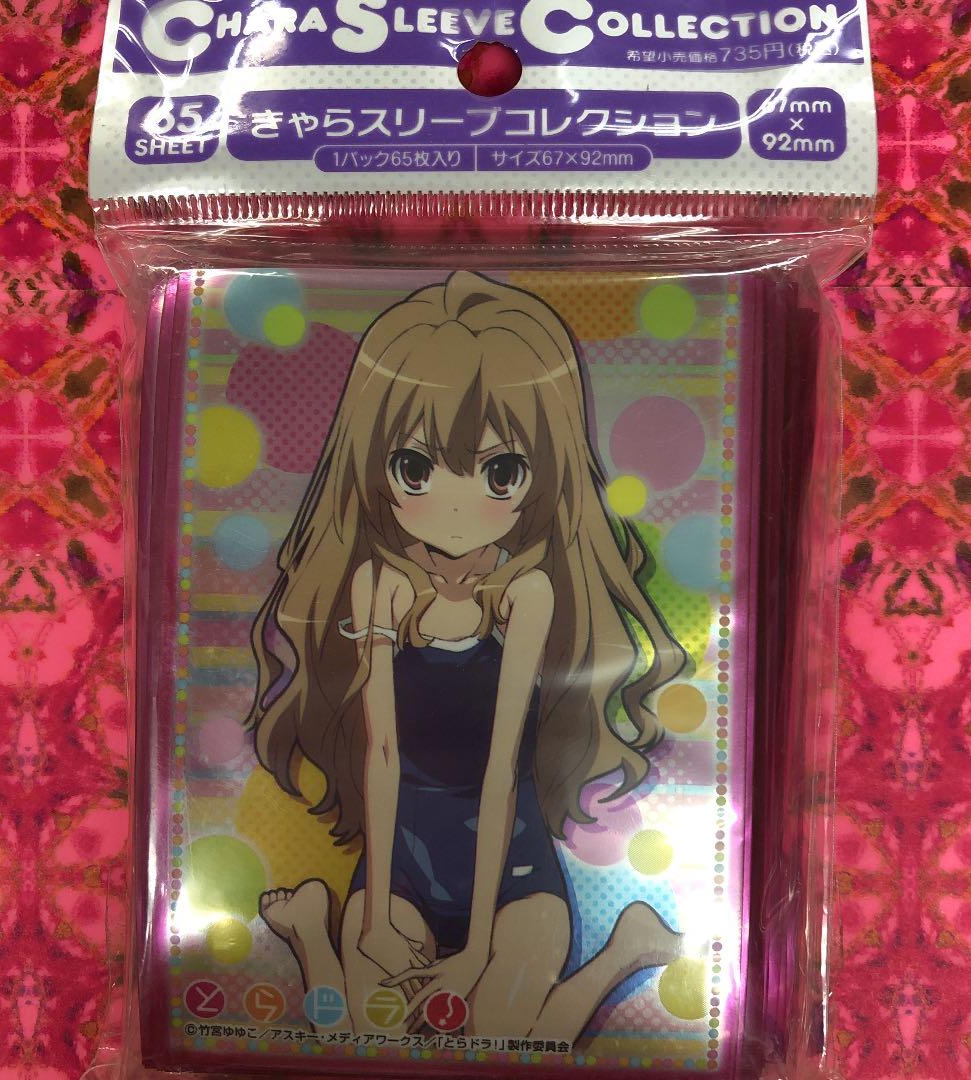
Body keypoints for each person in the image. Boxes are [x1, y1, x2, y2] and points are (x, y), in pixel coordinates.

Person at [249, 271, 686, 1040]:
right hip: (402, 870)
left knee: (506, 1038)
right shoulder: (380, 586)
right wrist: (375, 918)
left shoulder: (527, 594)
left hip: (517, 875)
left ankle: (625, 950)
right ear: (376, 466)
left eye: (499, 472)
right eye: (415, 469)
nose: (455, 507)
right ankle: (318, 930)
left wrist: (478, 950)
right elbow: (381, 752)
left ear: (539, 475)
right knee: (367, 1037)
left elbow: (499, 769)